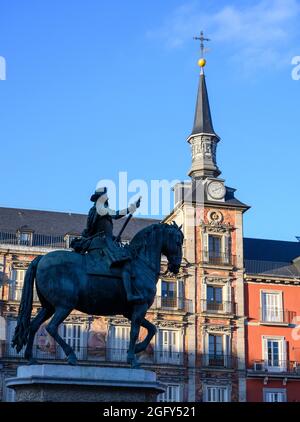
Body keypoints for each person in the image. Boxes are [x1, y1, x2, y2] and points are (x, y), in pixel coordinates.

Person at [71, 186, 143, 303]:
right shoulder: (100, 209)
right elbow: (116, 214)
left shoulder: (95, 210)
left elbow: (99, 230)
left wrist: (113, 237)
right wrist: (132, 207)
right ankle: (129, 294)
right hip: (102, 245)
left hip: (101, 242)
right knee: (126, 263)